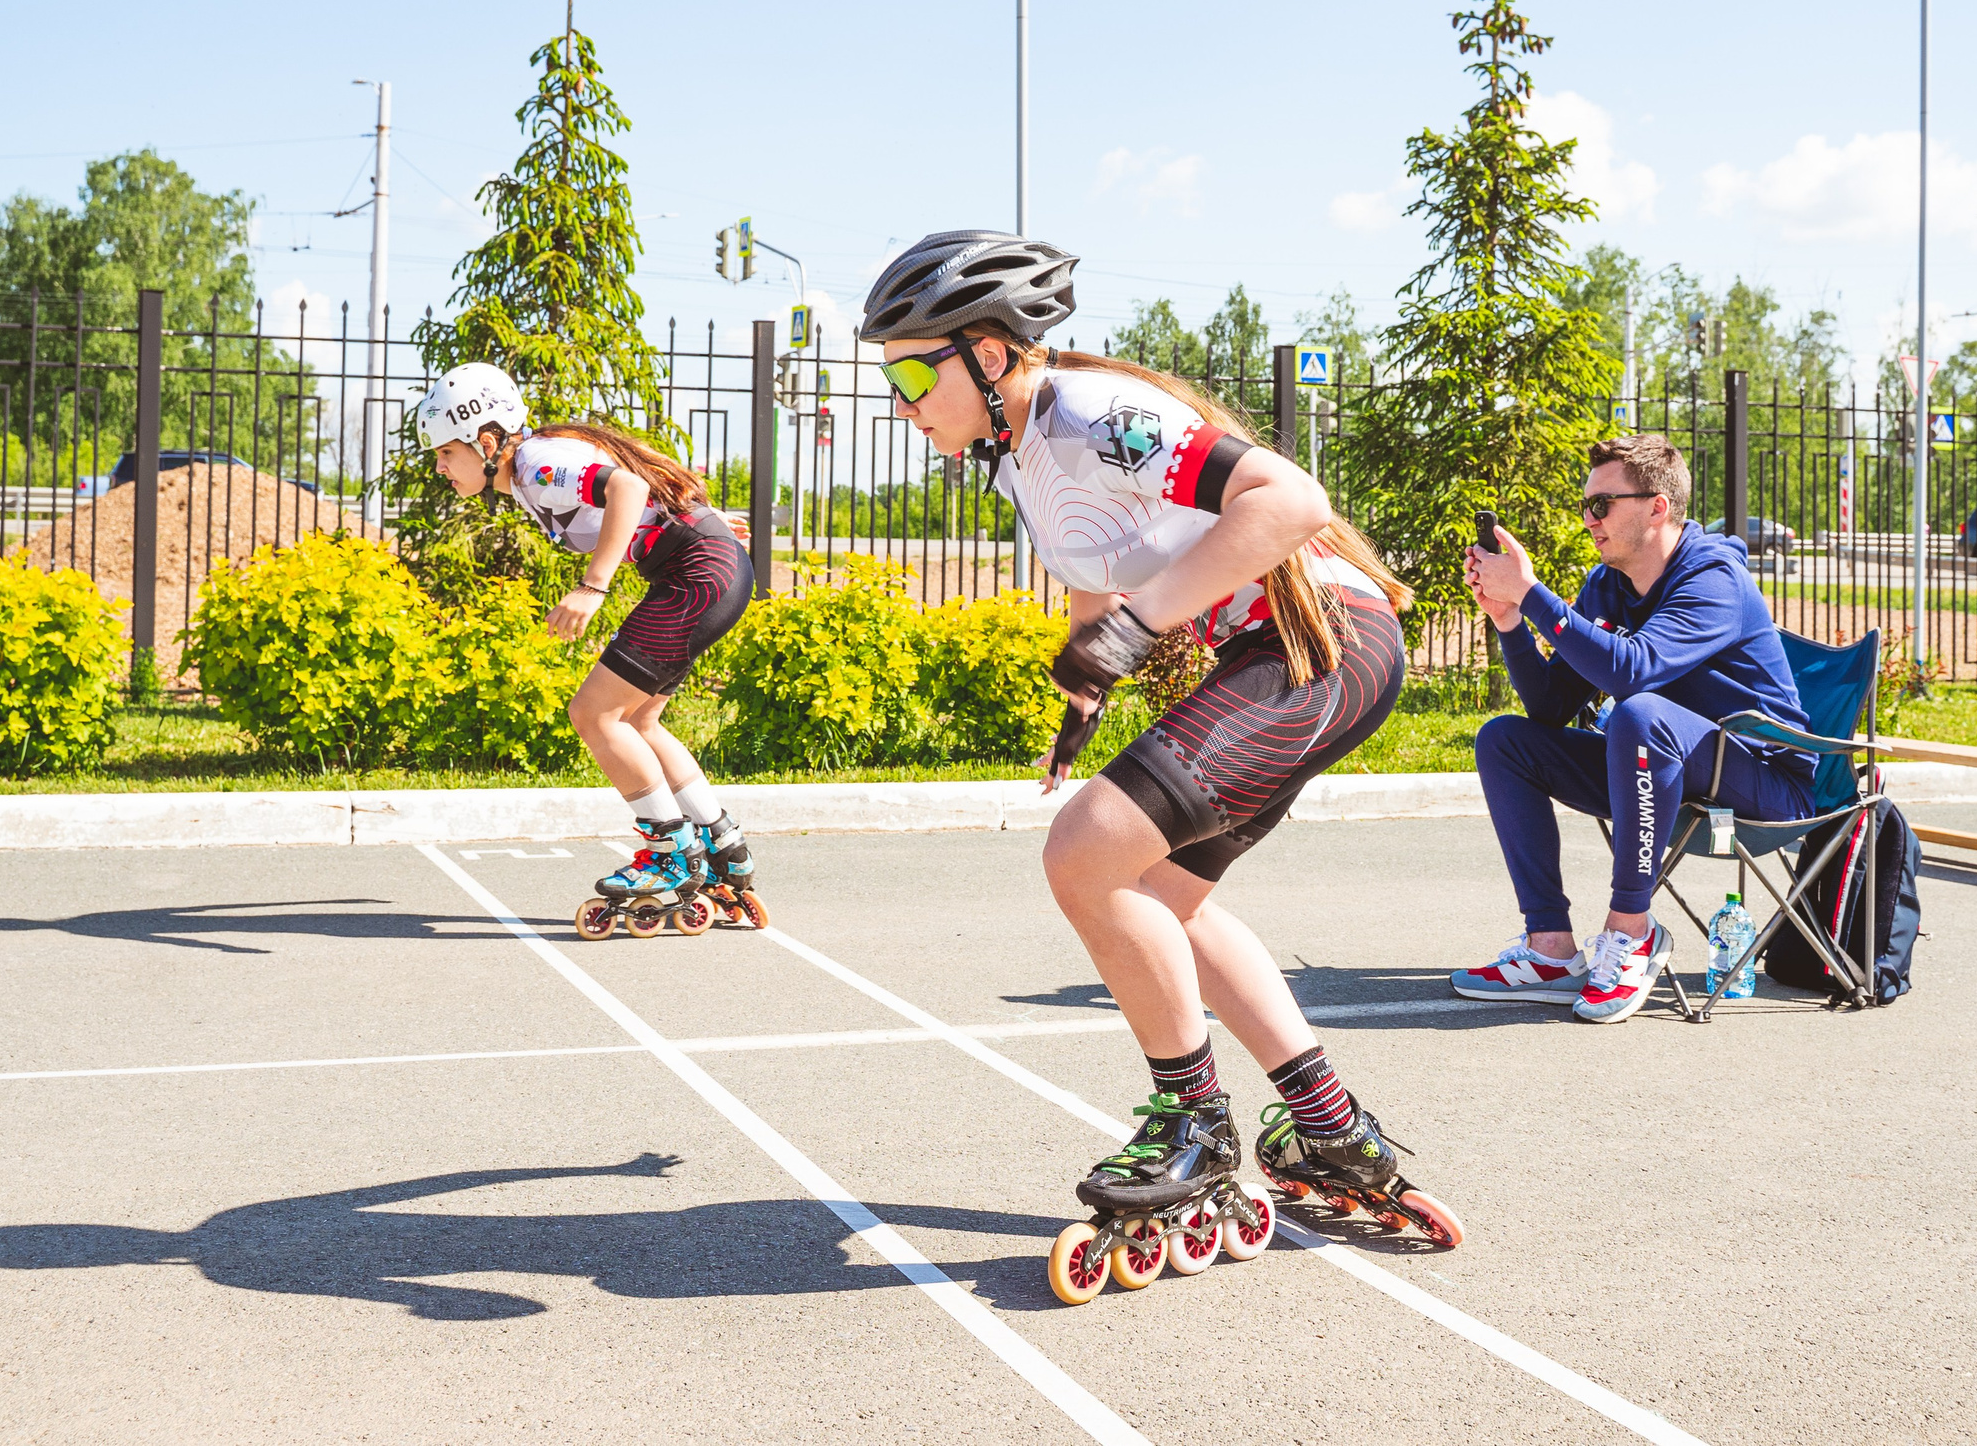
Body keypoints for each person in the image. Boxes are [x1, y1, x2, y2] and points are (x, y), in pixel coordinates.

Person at [862, 230, 1461, 1296]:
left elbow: (1289, 505)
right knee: (1156, 896)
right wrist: (1086, 685)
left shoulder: (1094, 413)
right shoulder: (1028, 452)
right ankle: (1329, 1130)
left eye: (913, 372)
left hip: (1319, 644)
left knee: (1085, 856)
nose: (902, 401)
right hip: (1278, 655)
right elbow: (1096, 570)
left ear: (991, 354)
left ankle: (1193, 1124)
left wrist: (1135, 629)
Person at [1453, 432, 1813, 1023]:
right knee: (1505, 740)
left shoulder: (1714, 578)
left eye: (1602, 505)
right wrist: (1511, 620)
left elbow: (1632, 669)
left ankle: (1633, 930)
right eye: (1585, 505)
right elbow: (1548, 708)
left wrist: (1532, 591)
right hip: (1665, 770)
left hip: (1765, 782)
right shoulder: (1607, 586)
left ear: (1657, 506)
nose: (1588, 519)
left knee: (1638, 711)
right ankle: (1549, 949)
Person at [414, 364, 762, 923]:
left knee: (593, 714)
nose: (440, 467)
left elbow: (628, 485)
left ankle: (670, 856)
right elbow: (639, 490)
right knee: (640, 722)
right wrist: (706, 522)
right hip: (704, 568)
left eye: (445, 454)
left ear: (484, 441)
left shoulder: (534, 464)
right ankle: (722, 844)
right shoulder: (535, 463)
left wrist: (591, 586)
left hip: (698, 574)